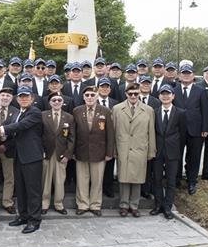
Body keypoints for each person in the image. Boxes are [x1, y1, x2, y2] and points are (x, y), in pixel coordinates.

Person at [0, 85, 44, 234]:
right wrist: (5, 145)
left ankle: (34, 221)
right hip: (19, 155)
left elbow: (21, 126)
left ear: (32, 98)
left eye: (27, 96)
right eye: (21, 96)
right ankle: (23, 216)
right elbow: (17, 134)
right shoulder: (19, 113)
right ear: (17, 99)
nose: (24, 99)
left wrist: (1, 130)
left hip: (32, 157)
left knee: (33, 190)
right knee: (21, 189)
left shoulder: (35, 112)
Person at [112, 83, 156, 218]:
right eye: (130, 93)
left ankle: (134, 205)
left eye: (136, 94)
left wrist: (151, 151)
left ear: (139, 94)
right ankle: (124, 205)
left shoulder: (148, 110)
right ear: (126, 94)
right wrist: (113, 149)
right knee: (123, 178)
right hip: (123, 148)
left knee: (137, 178)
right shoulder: (117, 109)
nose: (133, 96)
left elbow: (151, 132)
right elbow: (113, 131)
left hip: (139, 149)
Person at [72, 85, 114, 216]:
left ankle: (95, 205)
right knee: (82, 180)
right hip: (81, 151)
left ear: (97, 96)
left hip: (99, 152)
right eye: (87, 95)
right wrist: (72, 151)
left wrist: (109, 152)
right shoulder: (77, 111)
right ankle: (82, 204)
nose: (90, 98)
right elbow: (73, 133)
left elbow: (110, 134)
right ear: (83, 97)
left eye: (92, 95)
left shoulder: (106, 111)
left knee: (97, 180)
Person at [150, 84, 186, 220]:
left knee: (171, 181)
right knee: (157, 179)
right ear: (159, 96)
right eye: (163, 94)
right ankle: (158, 205)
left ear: (173, 96)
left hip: (173, 151)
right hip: (158, 151)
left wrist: (176, 147)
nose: (165, 96)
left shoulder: (180, 113)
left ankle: (167, 207)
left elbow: (183, 133)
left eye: (168, 94)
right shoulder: (154, 111)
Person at [172, 63, 208, 195]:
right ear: (179, 75)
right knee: (177, 156)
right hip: (177, 129)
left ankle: (192, 181)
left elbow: (205, 110)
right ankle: (176, 180)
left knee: (194, 156)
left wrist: (205, 127)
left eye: (189, 73)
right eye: (183, 73)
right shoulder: (173, 90)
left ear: (193, 75)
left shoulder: (201, 91)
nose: (186, 76)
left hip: (196, 130)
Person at [40, 92, 74, 215]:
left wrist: (68, 154)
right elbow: (38, 135)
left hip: (61, 154)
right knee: (46, 180)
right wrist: (41, 151)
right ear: (50, 102)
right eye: (54, 100)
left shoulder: (69, 117)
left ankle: (59, 204)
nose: (56, 102)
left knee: (60, 180)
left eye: (59, 100)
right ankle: (44, 203)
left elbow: (72, 138)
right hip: (46, 153)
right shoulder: (42, 115)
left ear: (63, 102)